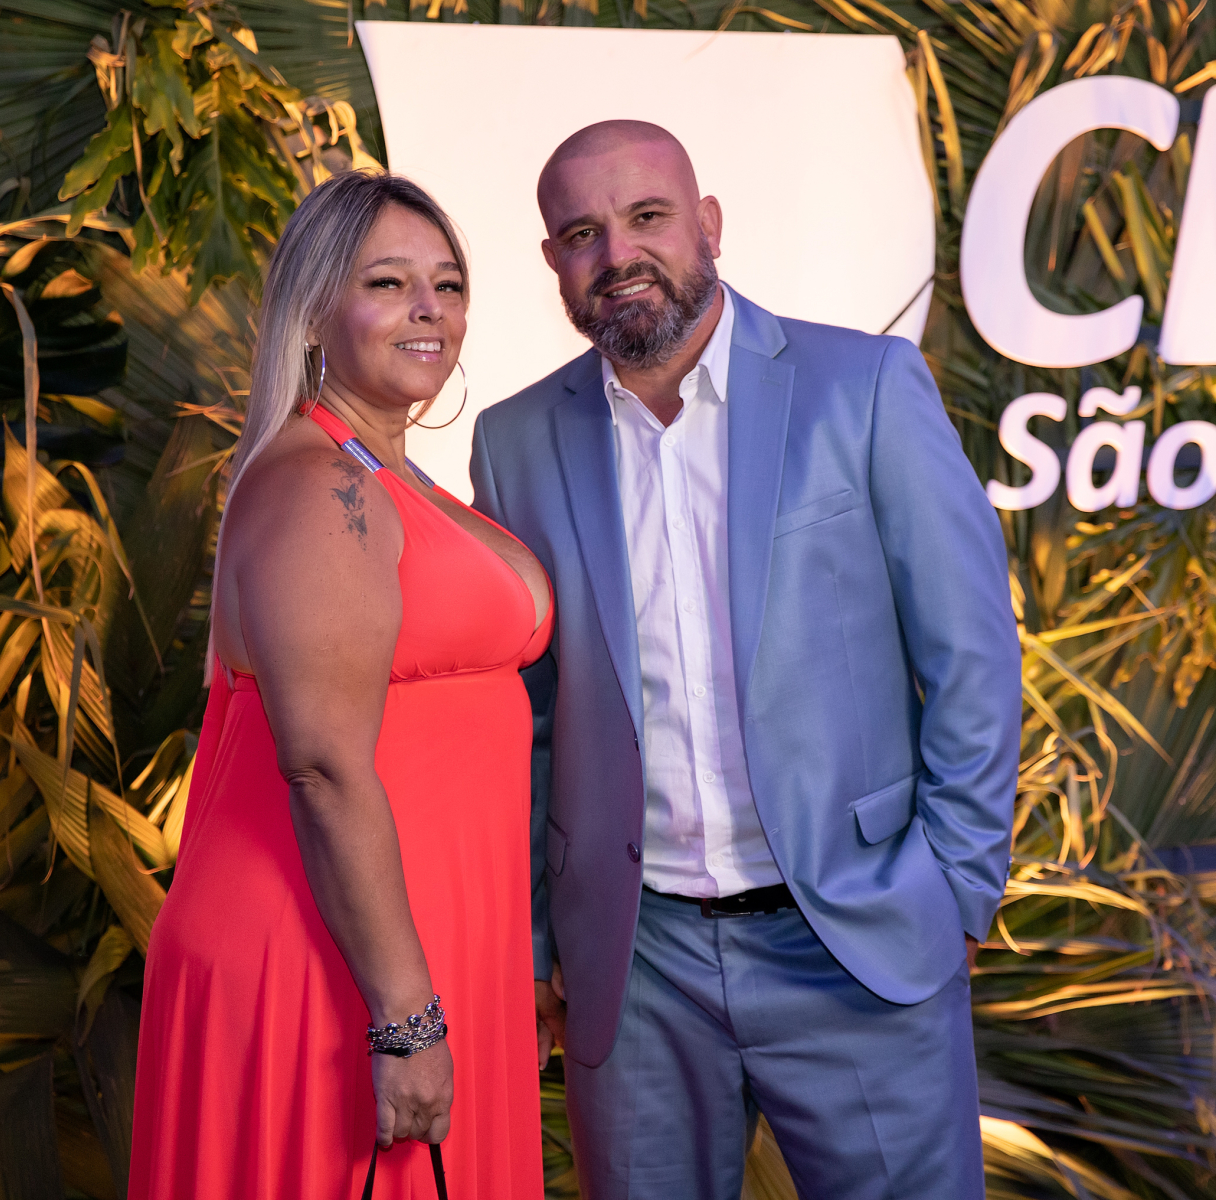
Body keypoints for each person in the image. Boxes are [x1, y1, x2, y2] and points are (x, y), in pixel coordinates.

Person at [469, 121, 1020, 1199]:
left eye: (646, 216)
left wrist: (955, 887)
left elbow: (971, 655)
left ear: (708, 224)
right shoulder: (514, 440)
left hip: (855, 940)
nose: (617, 253)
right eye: (581, 233)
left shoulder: (862, 385)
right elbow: (525, 720)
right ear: (552, 261)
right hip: (635, 966)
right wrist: (536, 940)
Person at [130, 171, 551, 1199]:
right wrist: (404, 1017)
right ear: (315, 310)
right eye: (388, 283)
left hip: (428, 939)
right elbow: (320, 767)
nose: (428, 309)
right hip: (332, 959)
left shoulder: (389, 474)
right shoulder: (319, 484)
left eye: (447, 284)